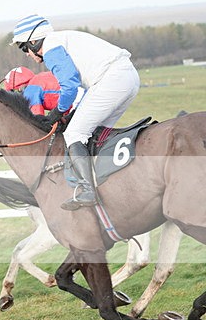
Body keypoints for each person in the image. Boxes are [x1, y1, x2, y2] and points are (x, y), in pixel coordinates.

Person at [11, 14, 140, 211]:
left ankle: (88, 190)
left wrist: (58, 111)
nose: (26, 53)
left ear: (34, 41)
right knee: (96, 131)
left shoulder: (51, 47)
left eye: (24, 47)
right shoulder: (63, 39)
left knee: (74, 134)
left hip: (112, 80)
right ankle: (111, 181)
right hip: (127, 77)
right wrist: (71, 114)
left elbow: (69, 86)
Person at [3, 66, 84, 117]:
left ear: (18, 89)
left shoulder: (30, 91)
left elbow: (38, 118)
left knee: (72, 135)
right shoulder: (39, 78)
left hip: (76, 100)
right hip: (81, 91)